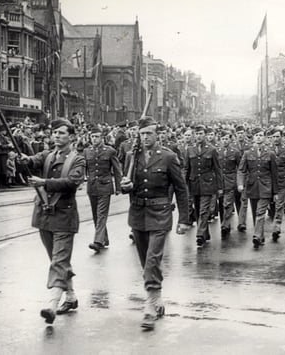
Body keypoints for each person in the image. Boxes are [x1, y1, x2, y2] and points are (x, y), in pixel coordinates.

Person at [120, 116, 189, 331]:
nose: (145, 137)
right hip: (138, 214)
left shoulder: (168, 157)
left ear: (157, 134)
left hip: (160, 214)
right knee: (145, 262)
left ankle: (149, 306)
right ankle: (157, 299)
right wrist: (126, 185)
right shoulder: (132, 157)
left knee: (152, 260)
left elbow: (181, 189)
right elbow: (126, 186)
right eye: (142, 134)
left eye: (149, 133)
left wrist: (184, 219)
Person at [19, 118, 86, 324]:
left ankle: (52, 305)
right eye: (54, 133)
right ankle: (71, 297)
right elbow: (33, 161)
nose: (57, 136)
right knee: (57, 260)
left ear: (72, 137)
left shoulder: (78, 159)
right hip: (45, 216)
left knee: (59, 260)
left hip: (64, 216)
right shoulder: (48, 154)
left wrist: (44, 182)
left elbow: (72, 182)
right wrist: (23, 160)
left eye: (62, 133)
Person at [237, 127, 278, 248]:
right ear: (253, 138)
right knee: (256, 213)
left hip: (266, 187)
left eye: (261, 135)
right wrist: (240, 183)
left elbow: (274, 174)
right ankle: (260, 236)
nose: (259, 138)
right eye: (256, 136)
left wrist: (275, 192)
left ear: (264, 137)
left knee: (260, 212)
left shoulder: (270, 154)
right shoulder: (247, 153)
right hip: (252, 186)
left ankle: (256, 236)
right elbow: (241, 170)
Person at [84, 127, 122, 253]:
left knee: (101, 214)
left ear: (102, 138)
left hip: (105, 186)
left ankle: (98, 242)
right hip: (92, 186)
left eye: (97, 137)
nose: (94, 139)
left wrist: (118, 187)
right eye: (92, 137)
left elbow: (117, 170)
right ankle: (104, 239)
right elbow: (85, 169)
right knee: (96, 215)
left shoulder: (110, 151)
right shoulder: (87, 151)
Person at [184, 125, 224, 247]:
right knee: (197, 210)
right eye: (196, 134)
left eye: (201, 133)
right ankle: (205, 234)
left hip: (208, 184)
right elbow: (186, 168)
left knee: (203, 210)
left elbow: (217, 169)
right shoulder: (190, 149)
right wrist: (183, 186)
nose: (198, 136)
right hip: (194, 183)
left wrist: (220, 187)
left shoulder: (211, 149)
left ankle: (200, 234)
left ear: (205, 135)